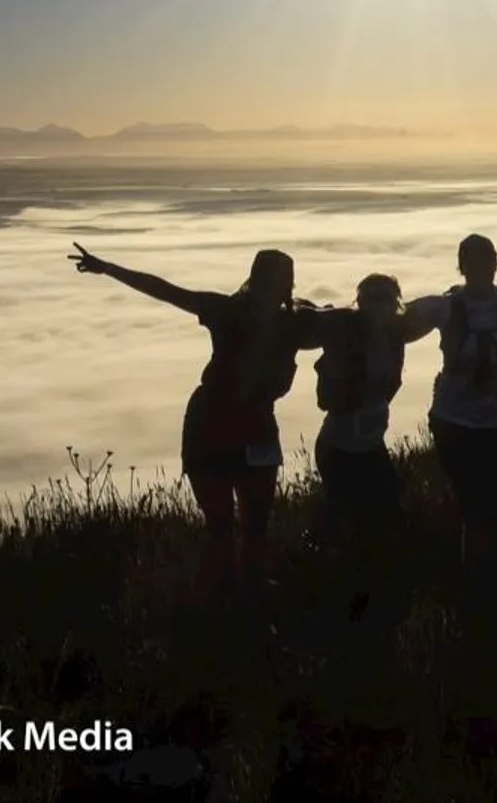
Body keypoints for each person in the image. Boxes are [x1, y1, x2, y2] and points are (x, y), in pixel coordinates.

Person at [67, 243, 320, 595]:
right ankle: (219, 602)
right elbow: (165, 291)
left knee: (255, 524)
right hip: (213, 426)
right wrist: (108, 268)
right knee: (222, 528)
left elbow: (345, 321)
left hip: (248, 425)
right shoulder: (236, 312)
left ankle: (246, 596)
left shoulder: (294, 320)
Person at [404, 234, 497, 575]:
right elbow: (393, 320)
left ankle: (477, 577)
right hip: (454, 422)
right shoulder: (444, 306)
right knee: (476, 504)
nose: (482, 267)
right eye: (475, 260)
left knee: (487, 505)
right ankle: (479, 580)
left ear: (496, 264)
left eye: (487, 260)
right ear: (462, 266)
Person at [305, 272, 437, 622]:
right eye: (369, 298)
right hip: (339, 448)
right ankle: (347, 601)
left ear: (395, 304)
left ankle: (374, 598)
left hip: (370, 447)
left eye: (384, 299)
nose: (376, 305)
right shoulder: (343, 334)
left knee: (380, 523)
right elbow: (324, 397)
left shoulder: (396, 338)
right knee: (355, 524)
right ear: (359, 303)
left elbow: (436, 312)